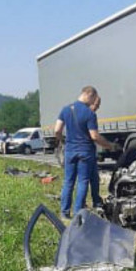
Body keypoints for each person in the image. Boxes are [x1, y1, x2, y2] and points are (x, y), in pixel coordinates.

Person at [54, 86, 117, 218]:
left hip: (70, 151)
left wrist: (63, 141)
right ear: (90, 95)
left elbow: (57, 130)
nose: (93, 102)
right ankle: (78, 213)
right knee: (83, 181)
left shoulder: (66, 109)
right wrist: (108, 145)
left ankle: (64, 213)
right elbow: (94, 136)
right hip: (85, 151)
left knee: (68, 181)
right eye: (94, 99)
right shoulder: (89, 114)